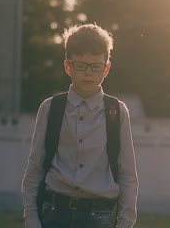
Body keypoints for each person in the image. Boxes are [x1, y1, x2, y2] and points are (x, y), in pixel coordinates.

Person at [22, 24, 138, 228]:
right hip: (55, 213)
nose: (88, 73)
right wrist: (31, 218)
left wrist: (126, 222)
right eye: (81, 65)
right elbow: (35, 168)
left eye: (95, 66)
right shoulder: (51, 109)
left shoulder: (117, 112)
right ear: (68, 66)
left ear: (107, 68)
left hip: (100, 216)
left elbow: (127, 174)